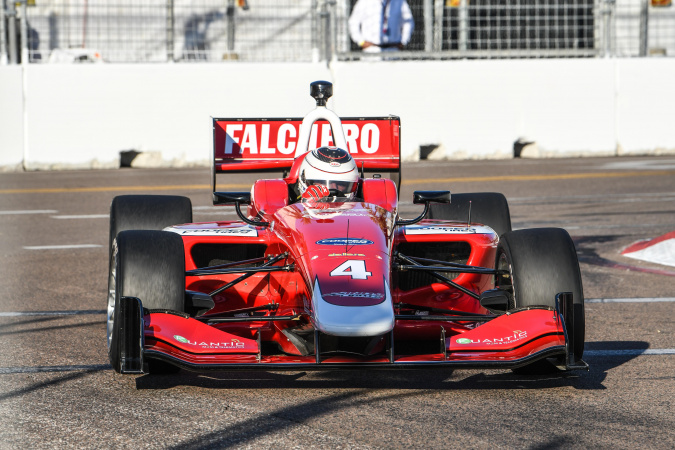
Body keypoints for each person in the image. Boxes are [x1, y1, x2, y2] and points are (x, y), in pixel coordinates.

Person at [295, 147, 360, 203]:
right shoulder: (289, 211)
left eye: (341, 184)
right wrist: (304, 204)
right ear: (304, 180)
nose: (334, 188)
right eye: (322, 182)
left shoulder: (364, 208)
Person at [348, 0, 414, 53]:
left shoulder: (399, 1)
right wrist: (361, 41)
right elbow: (353, 22)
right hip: (371, 50)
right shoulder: (364, 2)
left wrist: (403, 41)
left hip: (392, 49)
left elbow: (408, 22)